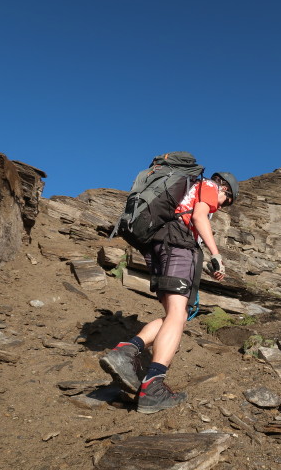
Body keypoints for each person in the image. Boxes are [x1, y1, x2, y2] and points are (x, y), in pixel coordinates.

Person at [100, 172, 238, 414]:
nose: (222, 206)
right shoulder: (208, 185)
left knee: (177, 315)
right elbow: (199, 216)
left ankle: (127, 351)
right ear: (225, 188)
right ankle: (153, 384)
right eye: (225, 201)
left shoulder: (185, 191)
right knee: (177, 314)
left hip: (160, 248)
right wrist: (216, 254)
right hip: (177, 246)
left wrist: (205, 264)